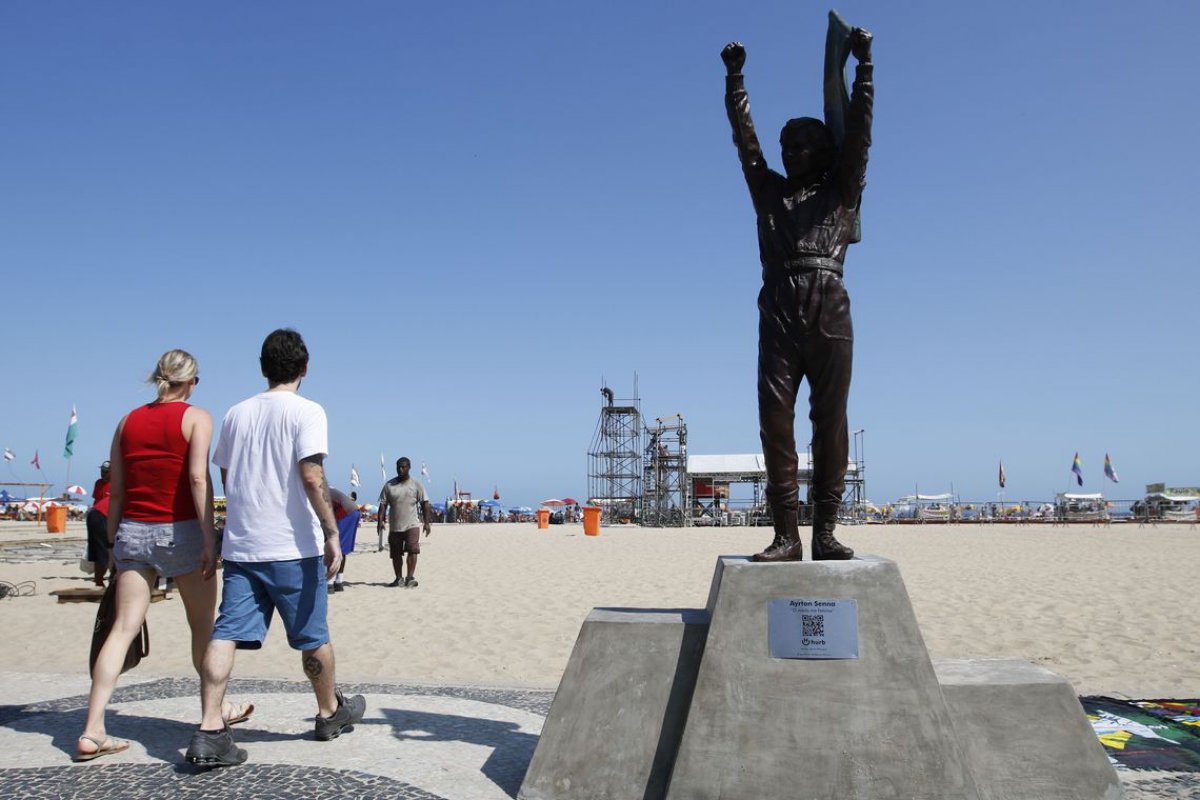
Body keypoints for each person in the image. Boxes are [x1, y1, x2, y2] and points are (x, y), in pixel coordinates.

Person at [720, 25, 873, 562]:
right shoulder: (769, 193)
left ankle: (825, 531)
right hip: (779, 306)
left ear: (823, 151)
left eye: (803, 144)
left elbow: (859, 136)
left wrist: (864, 68)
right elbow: (747, 145)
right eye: (787, 145)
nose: (791, 152)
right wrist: (735, 81)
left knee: (830, 422)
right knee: (774, 420)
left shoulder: (842, 191)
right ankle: (786, 534)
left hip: (829, 304)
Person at [185, 329, 365, 767]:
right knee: (312, 635)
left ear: (263, 368)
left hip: (245, 546)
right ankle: (328, 713)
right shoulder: (308, 411)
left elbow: (229, 477)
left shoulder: (236, 413)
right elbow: (310, 476)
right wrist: (331, 532)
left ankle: (210, 728)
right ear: (305, 368)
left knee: (225, 632)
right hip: (292, 546)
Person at [76, 350, 252, 762]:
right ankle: (215, 713)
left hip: (132, 531)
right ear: (191, 381)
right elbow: (196, 477)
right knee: (203, 629)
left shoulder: (128, 421)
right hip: (181, 532)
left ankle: (92, 728)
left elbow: (116, 489)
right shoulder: (196, 418)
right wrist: (209, 536)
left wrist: (116, 541)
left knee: (121, 629)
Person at [377, 457, 431, 588]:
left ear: (409, 467)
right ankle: (398, 578)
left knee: (413, 550)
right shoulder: (389, 485)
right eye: (398, 467)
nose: (400, 469)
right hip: (395, 526)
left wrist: (426, 522)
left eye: (403, 467)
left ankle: (410, 577)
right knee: (395, 554)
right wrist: (380, 521)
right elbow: (383, 505)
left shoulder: (416, 484)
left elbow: (425, 504)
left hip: (412, 524)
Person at [326, 487, 361, 594]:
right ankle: (338, 582)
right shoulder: (325, 490)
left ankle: (330, 583)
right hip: (352, 512)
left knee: (334, 547)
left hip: (346, 513)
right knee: (341, 548)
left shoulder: (319, 492)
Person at [85, 461, 112, 588]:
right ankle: (101, 581)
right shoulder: (99, 483)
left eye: (106, 472)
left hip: (103, 514)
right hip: (100, 514)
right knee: (104, 549)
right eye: (102, 471)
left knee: (104, 549)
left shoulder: (116, 483)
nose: (103, 474)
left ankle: (101, 580)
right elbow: (97, 500)